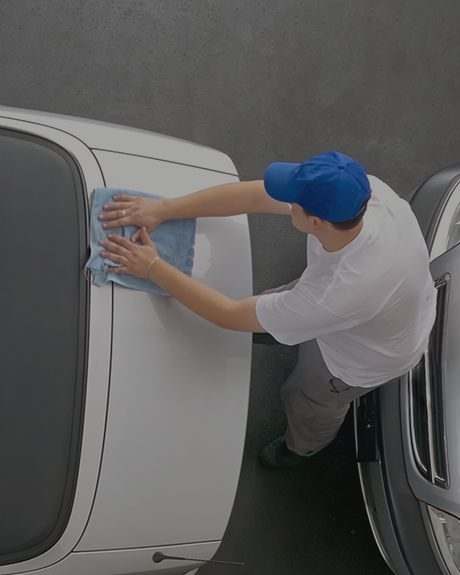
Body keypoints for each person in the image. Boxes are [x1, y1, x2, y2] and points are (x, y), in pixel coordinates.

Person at [100, 152, 436, 468]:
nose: (284, 201)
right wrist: (164, 209)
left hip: (363, 357)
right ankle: (279, 333)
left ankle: (303, 448)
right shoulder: (367, 195)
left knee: (308, 402)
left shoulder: (334, 294)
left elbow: (229, 315)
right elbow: (252, 197)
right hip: (382, 307)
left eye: (293, 202)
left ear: (316, 222)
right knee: (282, 312)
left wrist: (153, 267)